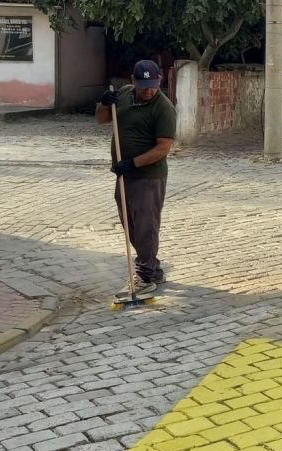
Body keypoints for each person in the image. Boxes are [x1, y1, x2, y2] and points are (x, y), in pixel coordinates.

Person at [95, 59, 177, 297]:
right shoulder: (121, 94)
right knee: (129, 225)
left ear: (160, 81)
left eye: (152, 85)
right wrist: (103, 103)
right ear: (133, 81)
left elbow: (163, 148)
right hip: (124, 175)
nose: (148, 90)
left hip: (149, 177)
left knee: (145, 226)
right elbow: (102, 119)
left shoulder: (164, 108)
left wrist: (132, 163)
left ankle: (145, 276)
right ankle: (153, 267)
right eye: (143, 85)